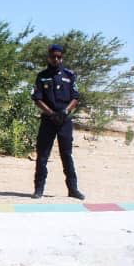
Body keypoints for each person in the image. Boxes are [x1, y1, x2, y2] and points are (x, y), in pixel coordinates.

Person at [31, 44, 84, 199]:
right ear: (48, 57)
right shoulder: (42, 76)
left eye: (59, 57)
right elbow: (37, 98)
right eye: (53, 56)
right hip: (48, 120)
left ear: (62, 58)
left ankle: (73, 189)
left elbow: (75, 97)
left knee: (66, 155)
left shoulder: (69, 75)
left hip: (64, 121)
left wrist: (65, 111)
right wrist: (51, 113)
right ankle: (39, 189)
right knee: (42, 155)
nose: (56, 59)